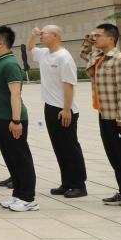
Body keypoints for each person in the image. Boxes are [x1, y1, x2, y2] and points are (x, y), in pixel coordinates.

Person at [24, 25, 85, 197]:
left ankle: (79, 185)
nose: (41, 36)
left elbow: (69, 85)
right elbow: (30, 48)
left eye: (44, 34)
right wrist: (33, 35)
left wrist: (66, 109)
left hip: (64, 109)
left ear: (56, 36)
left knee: (70, 148)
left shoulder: (64, 57)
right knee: (59, 147)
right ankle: (66, 183)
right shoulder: (44, 53)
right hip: (50, 107)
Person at [79, 23, 121, 208]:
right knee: (115, 157)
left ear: (111, 39)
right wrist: (89, 39)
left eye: (99, 35)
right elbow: (84, 54)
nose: (95, 38)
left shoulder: (120, 60)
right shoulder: (100, 58)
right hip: (105, 115)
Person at [0, 26, 38, 212]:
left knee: (21, 158)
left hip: (12, 119)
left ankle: (28, 198)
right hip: (0, 117)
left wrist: (16, 121)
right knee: (11, 158)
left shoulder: (10, 64)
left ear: (1, 43)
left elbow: (15, 94)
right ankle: (18, 193)